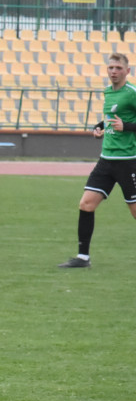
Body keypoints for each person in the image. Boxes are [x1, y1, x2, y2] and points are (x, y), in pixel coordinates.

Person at [58, 53, 136, 268]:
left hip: (129, 161)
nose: (113, 71)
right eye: (111, 67)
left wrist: (127, 127)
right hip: (106, 160)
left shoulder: (132, 94)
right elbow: (112, 117)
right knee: (86, 204)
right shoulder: (108, 92)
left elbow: (125, 122)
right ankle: (83, 258)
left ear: (127, 71)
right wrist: (101, 126)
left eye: (118, 68)